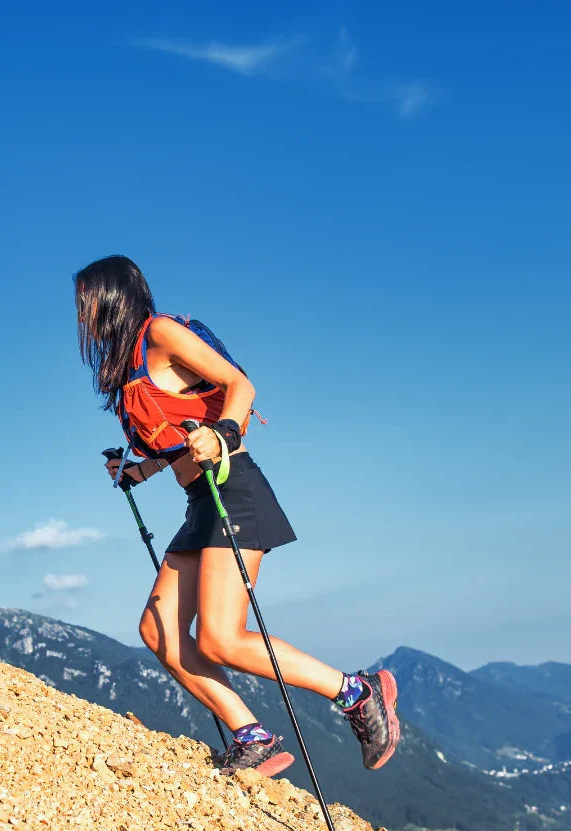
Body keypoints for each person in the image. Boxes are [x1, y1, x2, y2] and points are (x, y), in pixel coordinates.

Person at [74, 255, 400, 777]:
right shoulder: (129, 368)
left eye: (88, 301)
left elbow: (240, 385)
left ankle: (357, 693)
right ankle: (253, 737)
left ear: (114, 297)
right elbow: (179, 438)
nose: (83, 314)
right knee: (157, 632)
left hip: (234, 489)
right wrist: (136, 472)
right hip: (199, 502)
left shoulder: (160, 334)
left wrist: (223, 432)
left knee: (220, 638)